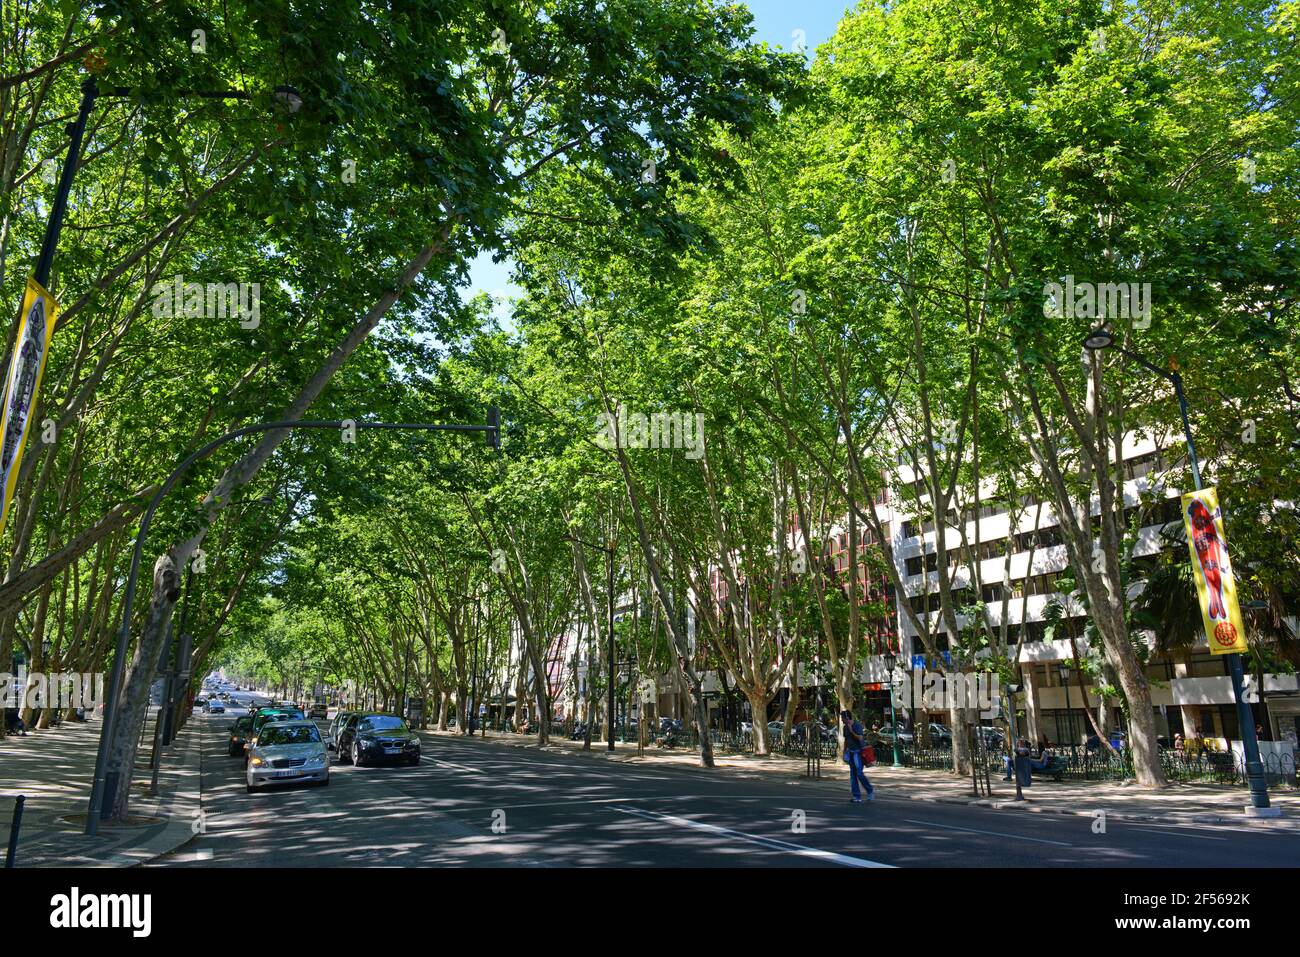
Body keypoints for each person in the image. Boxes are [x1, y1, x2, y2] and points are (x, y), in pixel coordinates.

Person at [840, 709, 875, 803]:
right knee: (853, 774)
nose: (842, 720)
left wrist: (852, 731)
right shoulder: (844, 727)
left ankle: (870, 790)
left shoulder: (857, 725)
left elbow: (860, 737)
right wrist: (844, 752)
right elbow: (846, 740)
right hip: (851, 752)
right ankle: (856, 796)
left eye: (842, 718)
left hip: (858, 752)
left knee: (859, 773)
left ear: (847, 718)